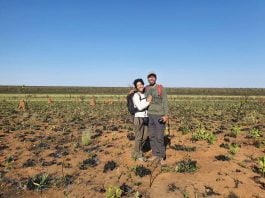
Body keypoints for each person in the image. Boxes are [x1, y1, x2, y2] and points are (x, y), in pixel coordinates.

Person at [145, 72, 169, 165]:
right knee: (152, 136)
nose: (151, 78)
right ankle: (155, 154)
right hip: (149, 115)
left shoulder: (160, 88)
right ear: (148, 79)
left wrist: (166, 115)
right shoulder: (146, 88)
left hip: (159, 115)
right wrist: (132, 92)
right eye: (150, 77)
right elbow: (139, 92)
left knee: (159, 136)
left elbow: (165, 102)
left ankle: (162, 156)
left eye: (153, 77)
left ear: (155, 78)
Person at [131, 78, 152, 162]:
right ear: (136, 87)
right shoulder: (136, 95)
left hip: (145, 118)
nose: (140, 86)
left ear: (143, 85)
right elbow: (139, 107)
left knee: (145, 136)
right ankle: (137, 154)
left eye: (141, 84)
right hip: (138, 118)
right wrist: (148, 102)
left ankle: (138, 151)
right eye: (138, 85)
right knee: (139, 137)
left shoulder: (145, 94)